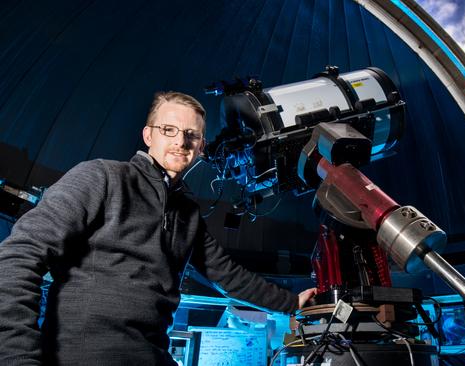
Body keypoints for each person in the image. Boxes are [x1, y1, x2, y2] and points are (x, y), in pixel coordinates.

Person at [0, 91, 317, 365]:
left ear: (201, 146)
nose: (181, 141)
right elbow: (18, 259)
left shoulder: (187, 213)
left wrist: (291, 303)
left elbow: (230, 277)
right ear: (148, 135)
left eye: (191, 135)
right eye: (169, 129)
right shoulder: (101, 177)